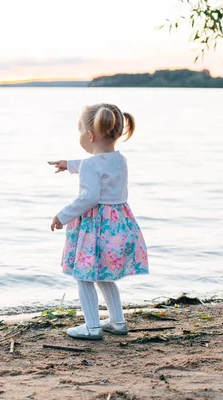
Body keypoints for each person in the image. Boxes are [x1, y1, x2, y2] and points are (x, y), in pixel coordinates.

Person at [48, 103, 149, 340]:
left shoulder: (91, 165)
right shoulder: (120, 160)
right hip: (117, 227)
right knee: (105, 276)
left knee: (83, 276)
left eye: (80, 131)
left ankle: (92, 327)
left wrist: (63, 215)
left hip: (95, 228)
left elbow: (90, 197)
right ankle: (117, 322)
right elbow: (98, 166)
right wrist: (70, 164)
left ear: (90, 135)